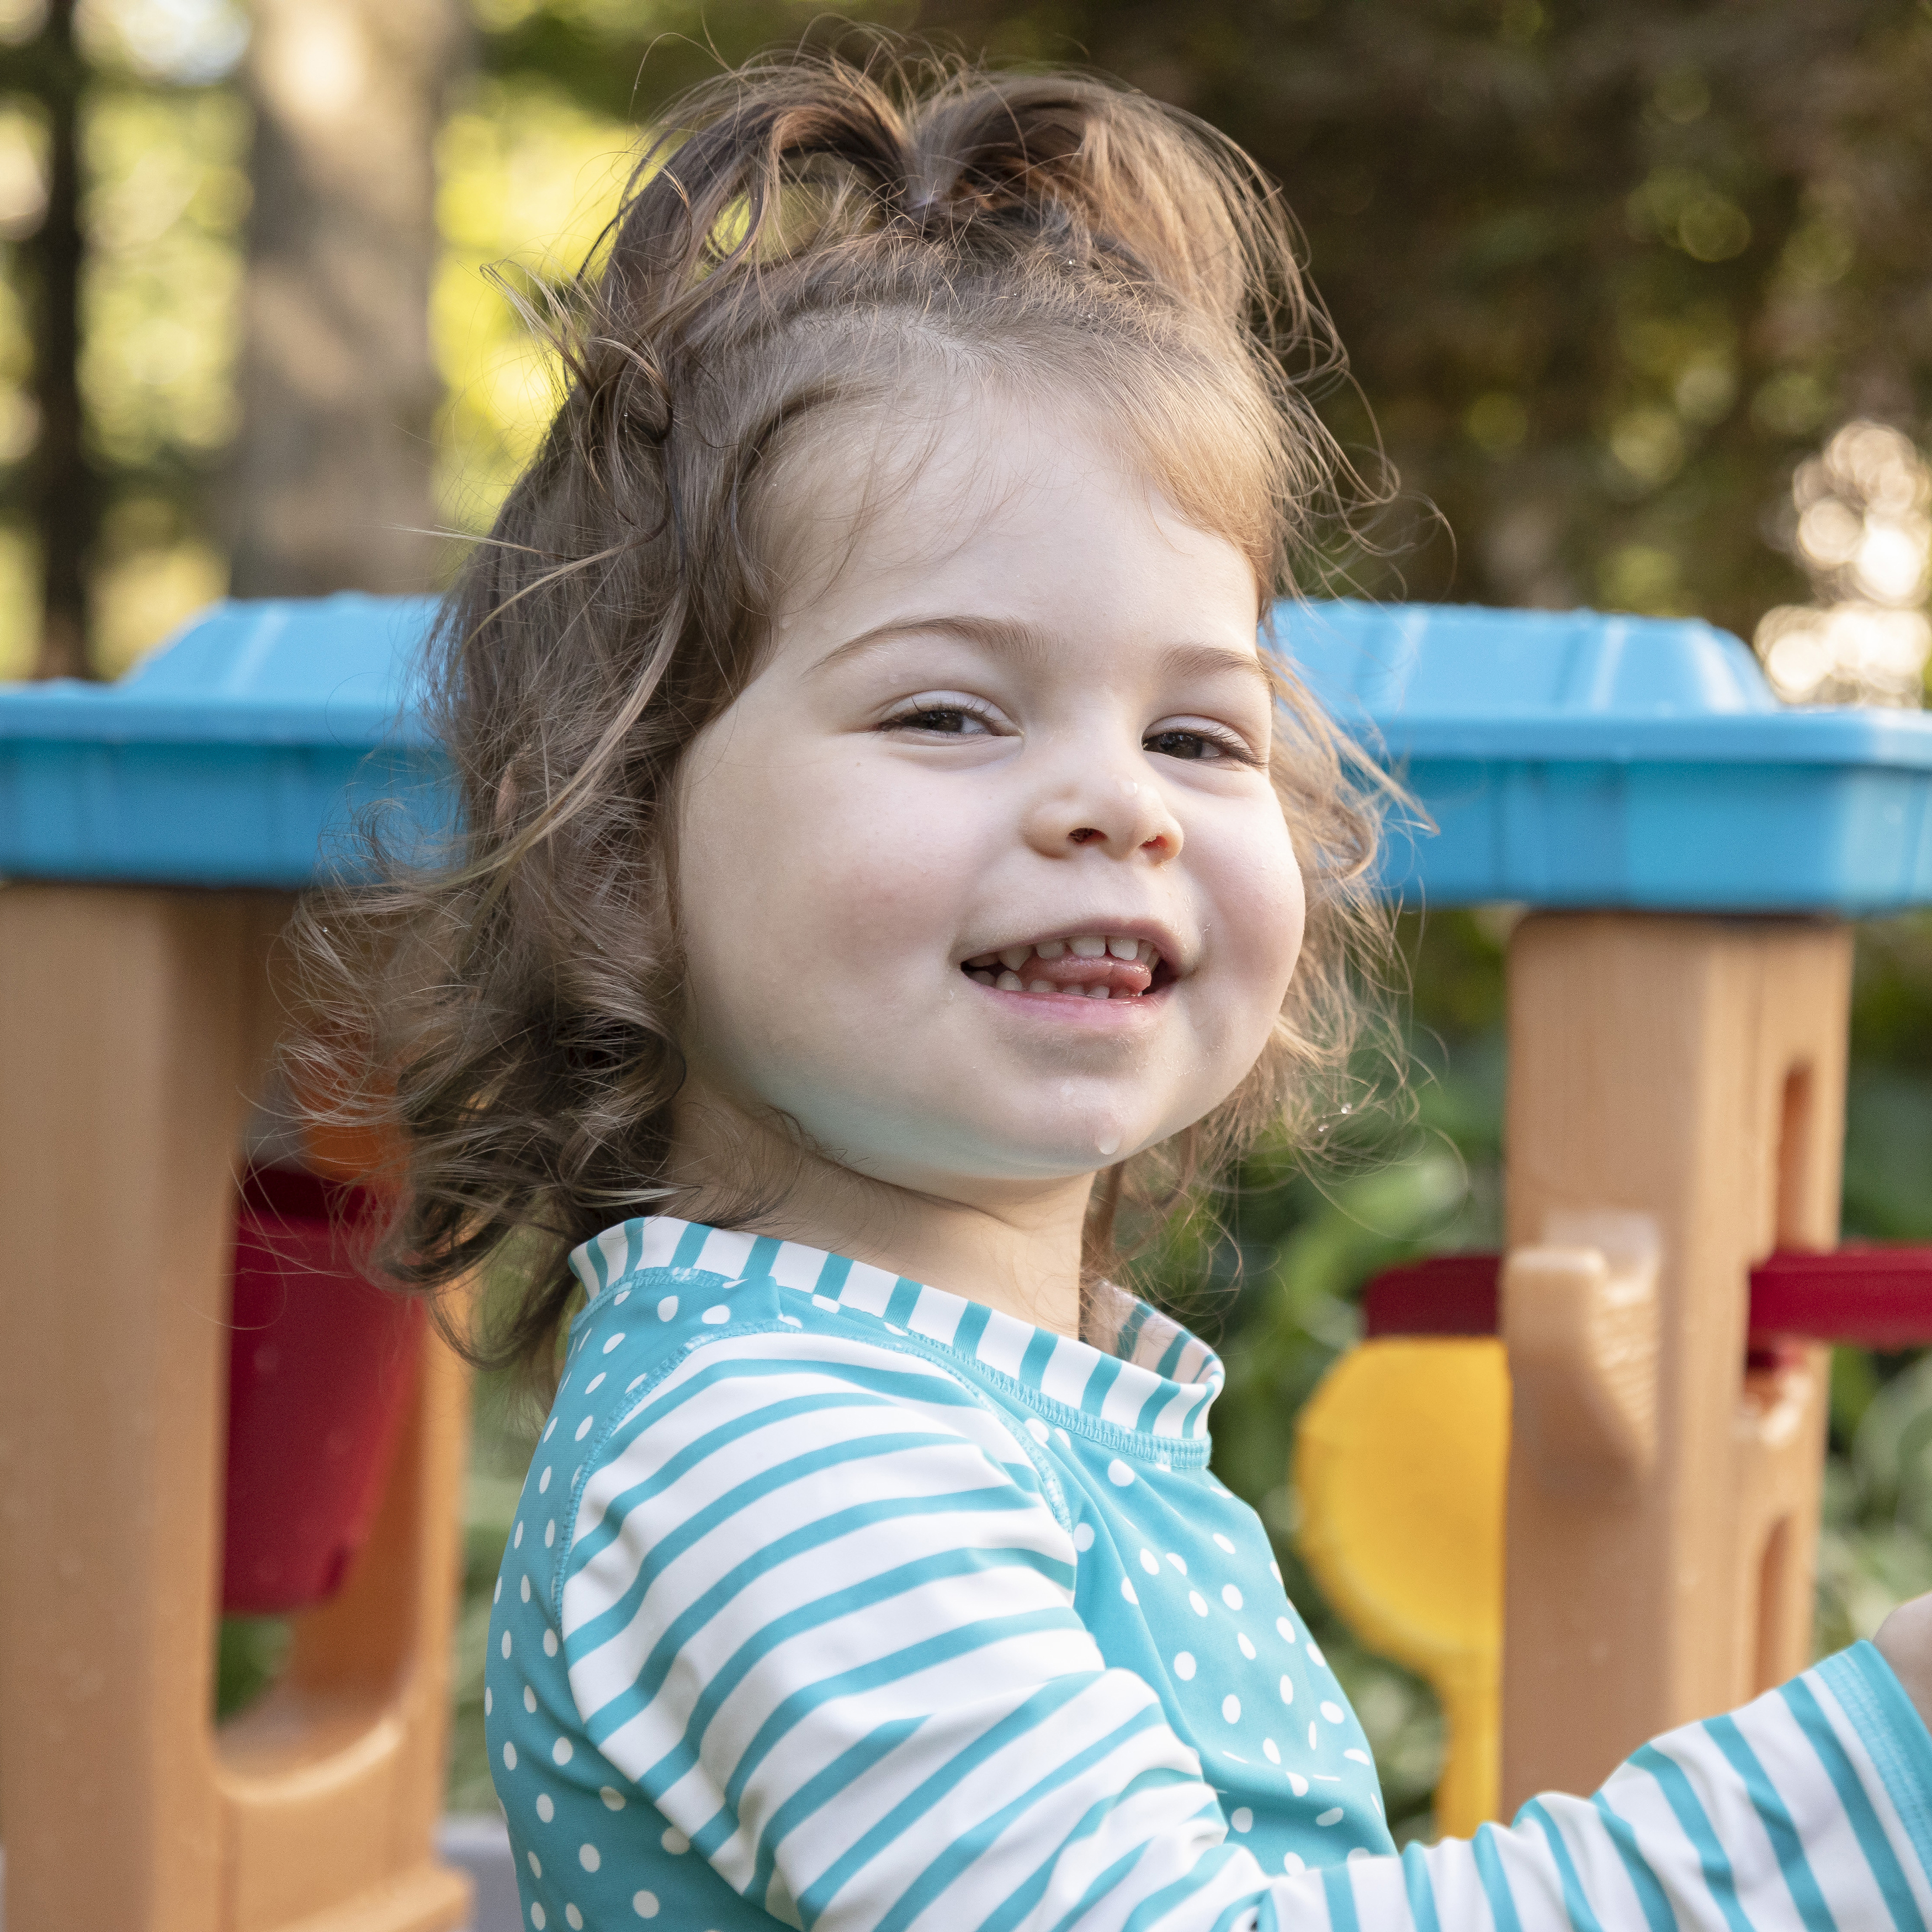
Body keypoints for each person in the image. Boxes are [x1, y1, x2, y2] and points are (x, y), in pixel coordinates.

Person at [301, 47, 1932, 1932]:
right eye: (946, 710)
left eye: (1194, 730)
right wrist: (1881, 1759)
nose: (1115, 804)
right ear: (612, 847)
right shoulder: (790, 1461)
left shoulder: (933, 1406)